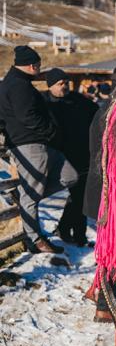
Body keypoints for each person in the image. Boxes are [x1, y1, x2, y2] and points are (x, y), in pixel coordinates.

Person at [0, 46, 78, 254]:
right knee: (31, 196)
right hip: (31, 144)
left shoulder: (17, 83)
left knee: (70, 176)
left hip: (37, 144)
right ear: (32, 65)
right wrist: (51, 132)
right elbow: (28, 117)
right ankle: (36, 240)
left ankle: (26, 196)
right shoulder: (18, 86)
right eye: (39, 65)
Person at [44, 68, 98, 246]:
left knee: (79, 196)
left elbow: (97, 115)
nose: (64, 86)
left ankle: (71, 232)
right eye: (60, 84)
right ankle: (75, 234)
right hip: (60, 157)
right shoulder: (44, 103)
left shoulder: (78, 100)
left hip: (83, 155)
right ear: (50, 86)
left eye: (66, 82)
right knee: (78, 197)